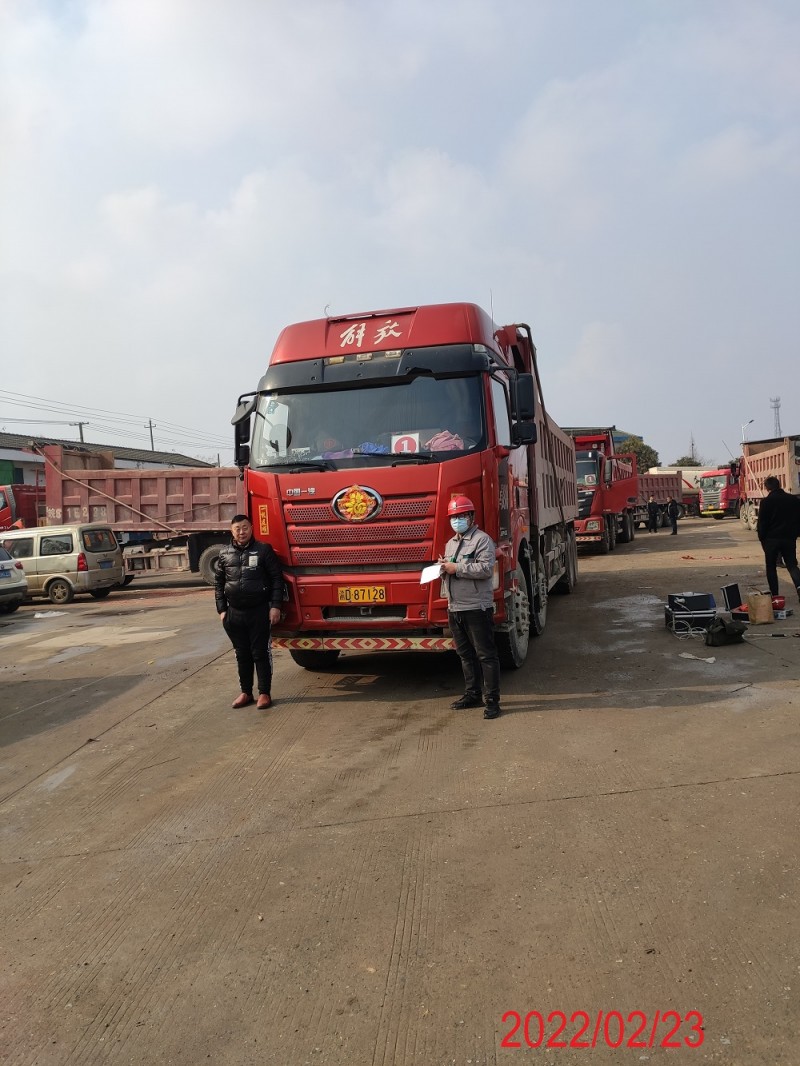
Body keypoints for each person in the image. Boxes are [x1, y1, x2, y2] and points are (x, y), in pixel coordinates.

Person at [439, 495, 502, 720]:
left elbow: (485, 569)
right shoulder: (450, 543)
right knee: (465, 654)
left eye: (461, 516)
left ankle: (492, 701)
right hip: (455, 607)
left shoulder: (482, 540)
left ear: (471, 516)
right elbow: (452, 569)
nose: (457, 520)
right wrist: (443, 568)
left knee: (485, 655)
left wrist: (456, 568)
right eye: (453, 517)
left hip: (476, 607)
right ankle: (472, 694)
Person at [215, 514, 284, 710]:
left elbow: (276, 579)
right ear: (231, 531)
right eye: (237, 529)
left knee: (260, 653)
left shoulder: (263, 550)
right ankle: (246, 692)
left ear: (252, 528)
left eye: (245, 528)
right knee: (242, 654)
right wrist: (222, 610)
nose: (241, 532)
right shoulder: (224, 553)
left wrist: (275, 606)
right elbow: (218, 584)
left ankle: (264, 693)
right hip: (234, 614)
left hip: (259, 611)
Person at [756, 476, 800, 604]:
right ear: (779, 485)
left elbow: (762, 523)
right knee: (792, 565)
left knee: (771, 567)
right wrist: (795, 534)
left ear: (767, 488)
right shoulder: (793, 500)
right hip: (789, 538)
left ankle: (775, 596)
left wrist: (762, 539)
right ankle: (799, 586)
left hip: (771, 540)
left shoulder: (766, 502)